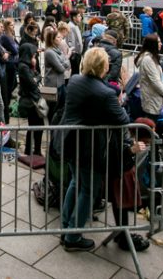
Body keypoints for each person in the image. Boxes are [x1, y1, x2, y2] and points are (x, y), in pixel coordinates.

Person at [57, 48, 148, 253]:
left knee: (75, 183)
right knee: (87, 190)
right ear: (104, 67)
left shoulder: (75, 81)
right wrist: (119, 97)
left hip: (72, 142)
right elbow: (123, 119)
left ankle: (66, 227)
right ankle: (73, 236)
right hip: (90, 149)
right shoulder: (106, 94)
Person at [16, 43, 44, 156]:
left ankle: (33, 149)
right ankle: (33, 150)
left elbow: (37, 76)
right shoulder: (23, 67)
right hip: (30, 101)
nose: (34, 58)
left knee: (36, 125)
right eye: (33, 56)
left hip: (34, 98)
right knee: (35, 125)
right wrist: (36, 77)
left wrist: (35, 74)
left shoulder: (28, 66)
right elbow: (32, 83)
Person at [136, 34, 163, 123]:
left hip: (154, 96)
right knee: (150, 123)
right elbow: (155, 81)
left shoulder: (151, 58)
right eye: (158, 42)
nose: (161, 44)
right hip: (152, 97)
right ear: (152, 44)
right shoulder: (148, 60)